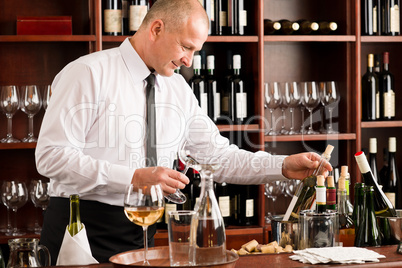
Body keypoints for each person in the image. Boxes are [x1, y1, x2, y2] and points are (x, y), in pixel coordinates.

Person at [35, 0, 332, 264]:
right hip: (81, 229)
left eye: (196, 51)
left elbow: (218, 157)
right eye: (186, 47)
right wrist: (134, 178)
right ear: (156, 29)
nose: (190, 61)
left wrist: (281, 165)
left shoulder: (177, 88)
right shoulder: (88, 73)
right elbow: (51, 157)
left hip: (144, 229)